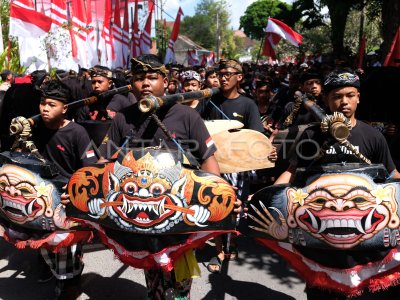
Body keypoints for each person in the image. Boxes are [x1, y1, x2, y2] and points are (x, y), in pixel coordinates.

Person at [98, 54, 241, 299]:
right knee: (153, 276)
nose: (145, 83)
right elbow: (104, 162)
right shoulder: (123, 117)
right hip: (138, 210)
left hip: (179, 210)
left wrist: (220, 196)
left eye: (152, 77)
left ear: (166, 82)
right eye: (139, 78)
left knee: (178, 285)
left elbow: (207, 158)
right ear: (131, 83)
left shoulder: (187, 116)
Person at [274, 68, 400, 299]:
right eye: (337, 96)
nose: (344, 101)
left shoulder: (373, 136)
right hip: (321, 240)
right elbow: (291, 172)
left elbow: (392, 176)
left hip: (367, 240)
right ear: (326, 99)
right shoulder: (312, 136)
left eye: (350, 95)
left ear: (359, 98)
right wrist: (268, 197)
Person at [200, 59, 277, 273]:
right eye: (220, 73)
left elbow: (256, 135)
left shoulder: (248, 104)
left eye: (228, 73)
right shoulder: (210, 100)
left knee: (234, 208)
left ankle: (231, 240)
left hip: (239, 165)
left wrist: (266, 149)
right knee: (215, 205)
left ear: (239, 77)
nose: (223, 77)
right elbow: (196, 126)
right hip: (212, 162)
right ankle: (218, 249)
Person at [31, 80, 98, 299]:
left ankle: (71, 288)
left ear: (65, 108)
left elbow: (90, 170)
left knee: (67, 250)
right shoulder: (35, 128)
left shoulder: (76, 132)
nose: (45, 108)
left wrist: (76, 193)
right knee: (46, 246)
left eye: (51, 104)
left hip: (69, 200)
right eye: (42, 103)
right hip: (42, 198)